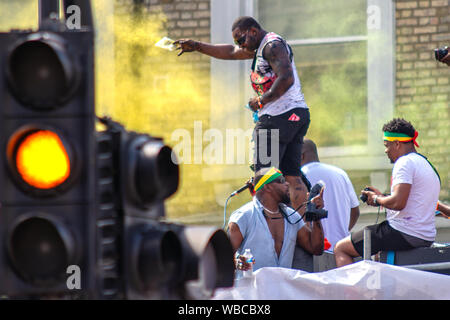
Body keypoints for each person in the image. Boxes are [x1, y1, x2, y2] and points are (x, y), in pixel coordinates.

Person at [174, 16, 311, 211]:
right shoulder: (262, 47)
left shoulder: (271, 46)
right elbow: (230, 52)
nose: (240, 45)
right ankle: (302, 226)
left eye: (241, 39)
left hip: (276, 118)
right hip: (295, 115)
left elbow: (286, 78)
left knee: (264, 178)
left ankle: (272, 231)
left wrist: (261, 101)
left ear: (253, 31)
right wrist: (197, 46)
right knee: (292, 177)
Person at [334, 118, 441, 267]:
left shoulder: (404, 163)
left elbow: (398, 203)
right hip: (425, 236)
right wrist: (383, 197)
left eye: (387, 145)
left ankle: (352, 291)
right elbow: (412, 201)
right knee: (377, 254)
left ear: (397, 143)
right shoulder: (426, 164)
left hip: (403, 233)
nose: (385, 150)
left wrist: (377, 199)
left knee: (341, 248)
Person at [227, 167, 324, 272]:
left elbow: (315, 248)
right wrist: (237, 262)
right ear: (267, 187)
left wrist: (316, 215)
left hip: (282, 287)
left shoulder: (292, 216)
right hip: (251, 287)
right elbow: (223, 256)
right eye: (281, 181)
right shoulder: (244, 216)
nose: (287, 184)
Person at [301, 139, 360, 251]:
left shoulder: (299, 178)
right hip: (342, 250)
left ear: (301, 156)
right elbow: (355, 211)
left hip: (314, 248)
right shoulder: (340, 173)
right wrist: (340, 231)